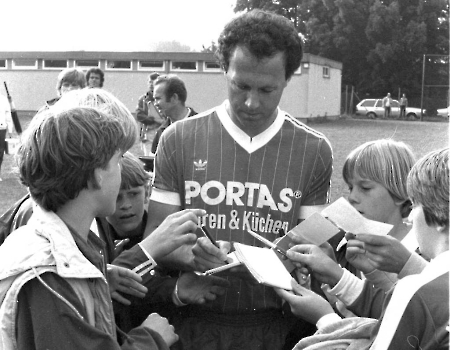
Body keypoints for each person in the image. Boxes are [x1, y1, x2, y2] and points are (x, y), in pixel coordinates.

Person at [144, 9, 333, 350]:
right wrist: (193, 256)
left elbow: (316, 244)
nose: (251, 101)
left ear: (287, 79)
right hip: (193, 324)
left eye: (267, 89)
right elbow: (155, 238)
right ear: (224, 71)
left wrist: (299, 259)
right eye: (240, 86)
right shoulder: (178, 139)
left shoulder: (313, 149)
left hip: (274, 327)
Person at [0, 106, 196, 349]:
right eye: (118, 161)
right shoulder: (51, 276)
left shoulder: (57, 248)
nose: (121, 170)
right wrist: (151, 338)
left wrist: (99, 279)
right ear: (96, 176)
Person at [276, 148, 449, 350]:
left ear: (440, 217)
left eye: (416, 205)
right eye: (351, 188)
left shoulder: (414, 290)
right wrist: (337, 276)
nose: (410, 216)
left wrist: (325, 319)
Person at [151, 74, 197, 154]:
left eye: (158, 99)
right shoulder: (161, 133)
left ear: (174, 98)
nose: (155, 104)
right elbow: (153, 164)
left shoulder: (202, 127)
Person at [136, 72, 164, 154]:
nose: (151, 84)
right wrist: (154, 120)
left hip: (162, 131)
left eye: (154, 82)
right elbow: (139, 115)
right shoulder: (143, 99)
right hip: (148, 133)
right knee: (149, 157)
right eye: (149, 82)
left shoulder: (165, 98)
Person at [0, 93, 13, 181]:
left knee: (0, 152)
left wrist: (10, 130)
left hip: (1, 128)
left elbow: (8, 116)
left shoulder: (3, 100)